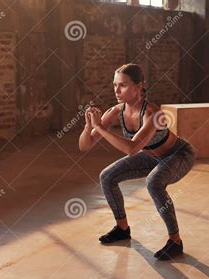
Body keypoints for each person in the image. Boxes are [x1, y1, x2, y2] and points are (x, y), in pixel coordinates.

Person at [78, 63, 196, 260]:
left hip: (178, 155)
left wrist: (100, 128)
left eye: (122, 85)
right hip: (151, 156)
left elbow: (132, 148)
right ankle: (122, 228)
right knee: (107, 176)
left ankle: (175, 241)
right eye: (114, 85)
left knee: (154, 182)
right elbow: (85, 145)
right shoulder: (116, 111)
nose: (117, 90)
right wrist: (88, 126)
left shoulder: (154, 114)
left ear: (139, 86)